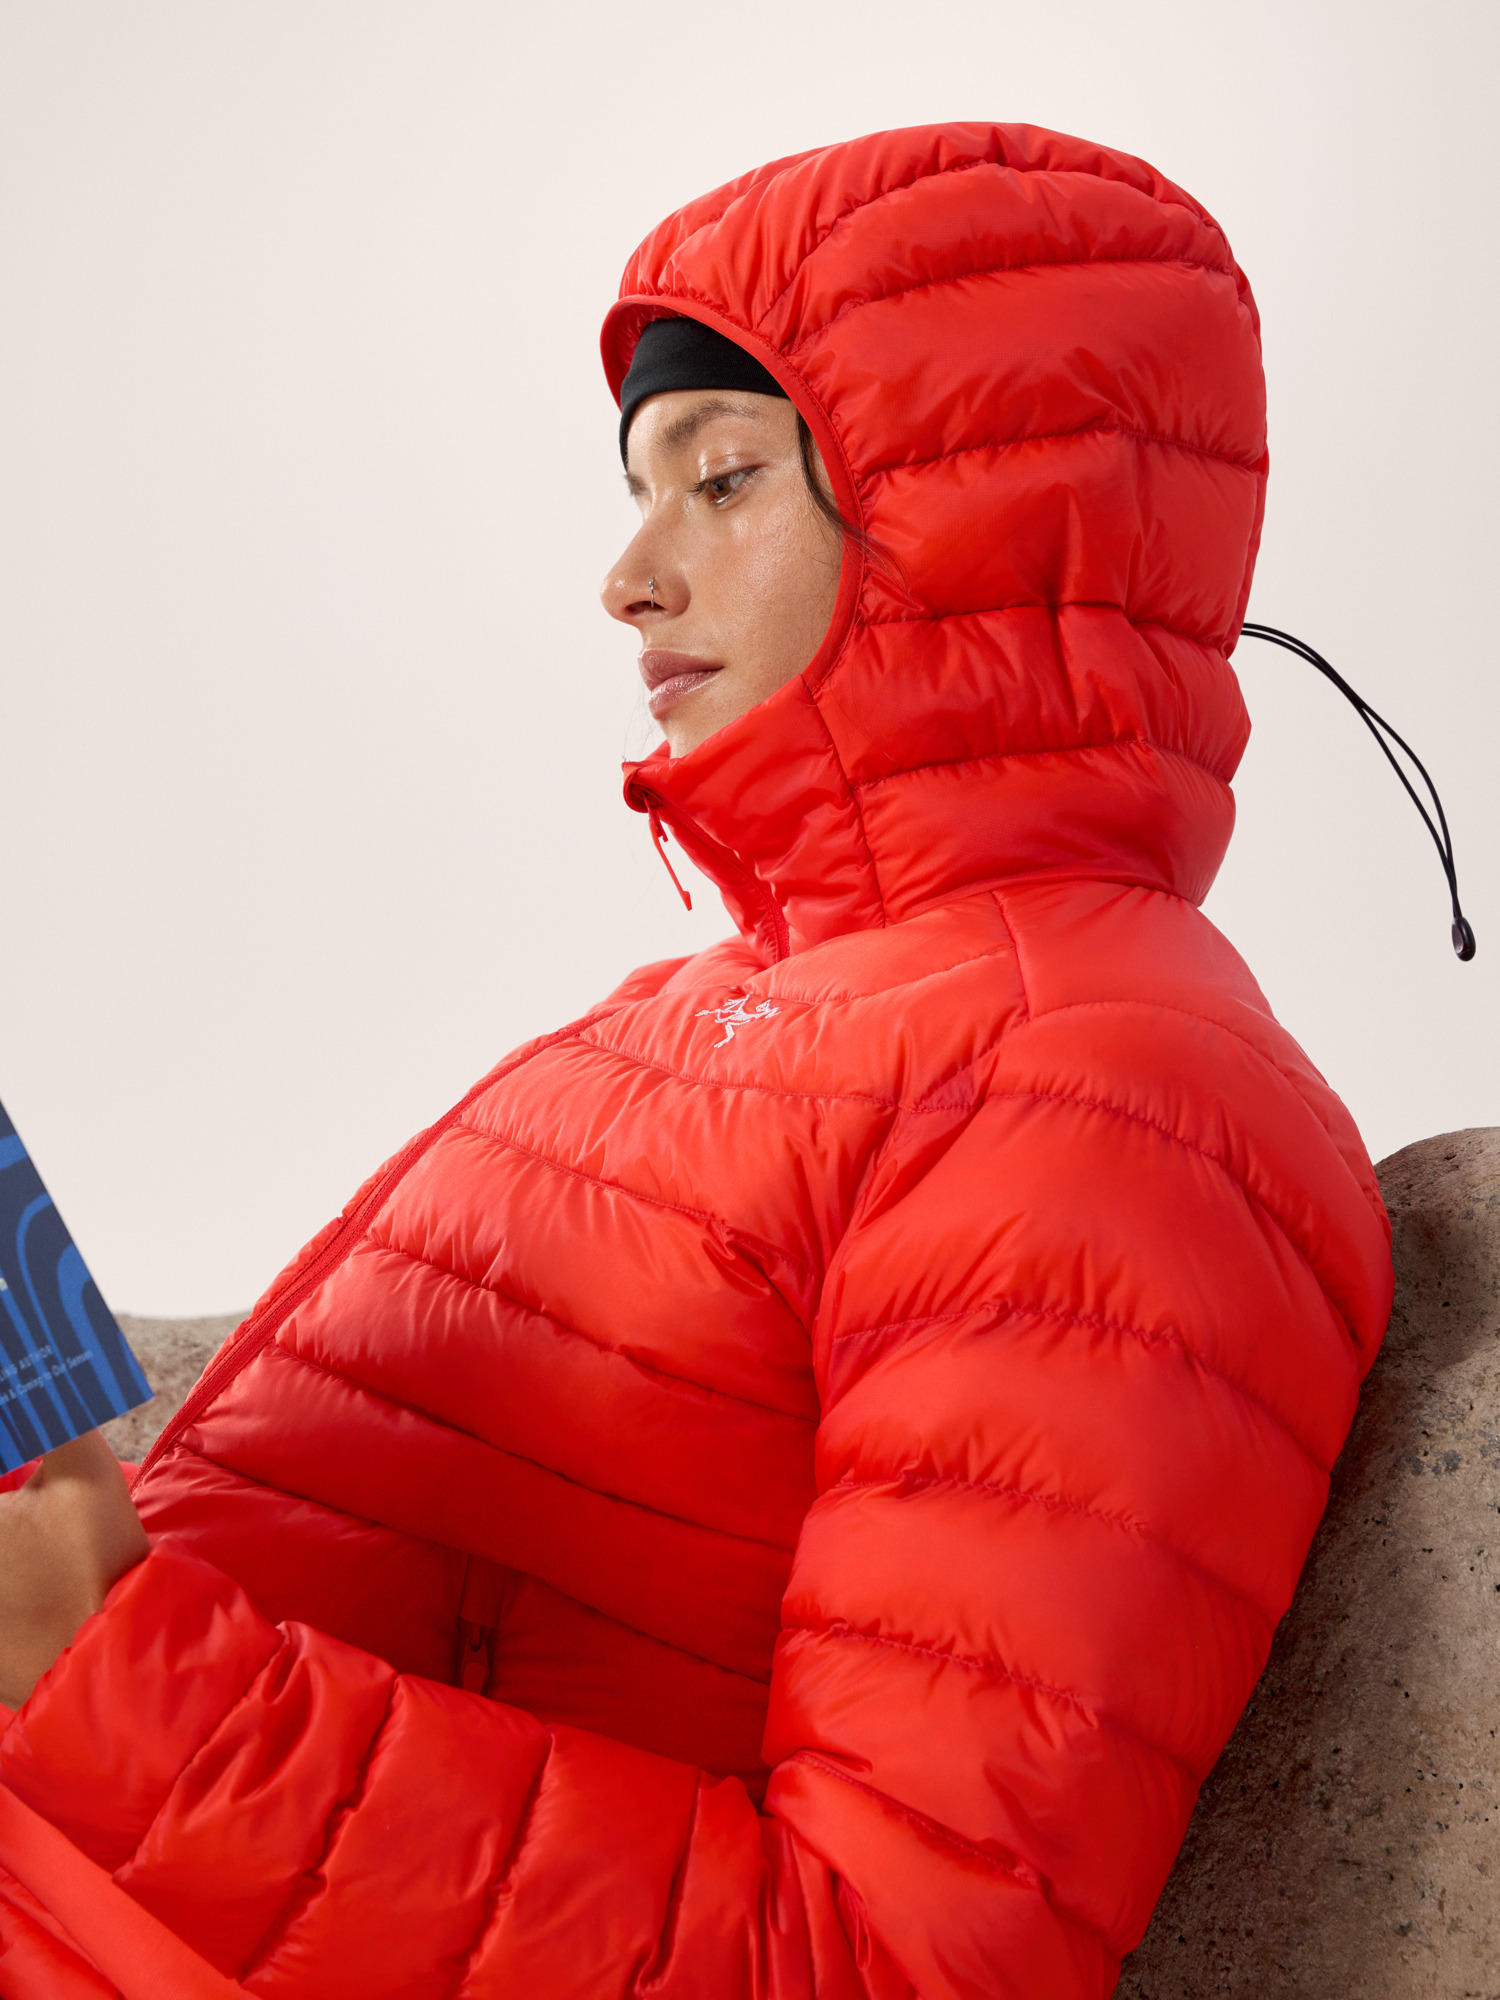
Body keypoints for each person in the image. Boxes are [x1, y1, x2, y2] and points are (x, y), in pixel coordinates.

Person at [0, 122, 1393, 2000]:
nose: (630, 579)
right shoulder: (689, 1021)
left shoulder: (1114, 1096)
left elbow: (887, 1964)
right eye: (642, 491)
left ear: (992, 528)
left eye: (722, 481)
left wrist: (104, 1678)